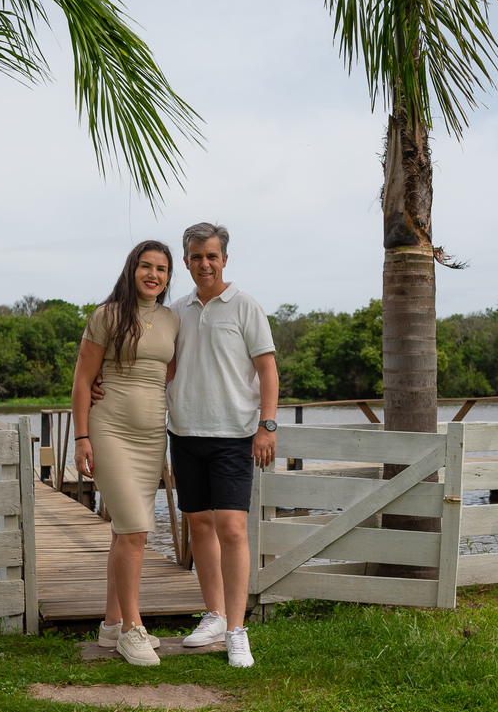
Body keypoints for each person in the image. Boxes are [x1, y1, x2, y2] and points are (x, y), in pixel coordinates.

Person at [167, 222, 278, 668]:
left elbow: (267, 371)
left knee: (232, 528)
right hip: (185, 433)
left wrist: (266, 426)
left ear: (224, 259)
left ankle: (237, 630)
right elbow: (165, 370)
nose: (204, 264)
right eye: (196, 257)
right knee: (199, 527)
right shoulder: (176, 311)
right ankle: (213, 616)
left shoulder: (245, 307)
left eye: (212, 256)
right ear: (187, 261)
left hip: (235, 435)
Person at [70, 240, 179, 667]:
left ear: (169, 277)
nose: (154, 275)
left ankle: (111, 623)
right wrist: (82, 438)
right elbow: (83, 381)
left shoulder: (173, 320)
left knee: (123, 532)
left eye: (163, 270)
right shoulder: (107, 315)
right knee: (135, 529)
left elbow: (169, 374)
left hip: (152, 434)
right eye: (146, 267)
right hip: (109, 429)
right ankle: (134, 629)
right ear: (132, 269)